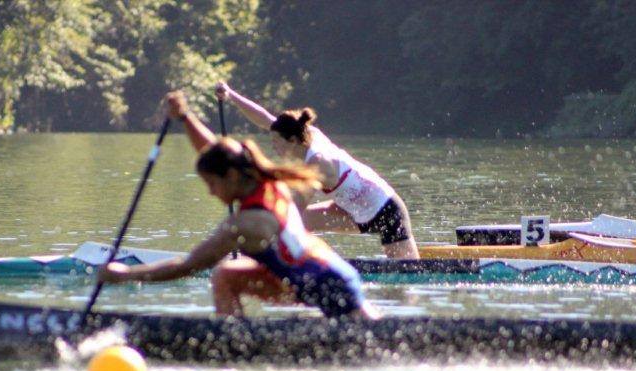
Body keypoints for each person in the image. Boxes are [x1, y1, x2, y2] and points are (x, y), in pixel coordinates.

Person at [98, 92, 378, 319]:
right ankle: (237, 337)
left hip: (332, 288)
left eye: (212, 184)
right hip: (319, 278)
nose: (210, 193)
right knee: (226, 275)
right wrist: (184, 117)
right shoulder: (266, 181)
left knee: (222, 273)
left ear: (231, 177)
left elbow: (188, 265)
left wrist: (125, 275)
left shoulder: (245, 223)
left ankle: (237, 343)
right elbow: (216, 150)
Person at [216, 82, 420, 259]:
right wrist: (231, 95)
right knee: (298, 222)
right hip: (351, 211)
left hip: (386, 212)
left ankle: (285, 259)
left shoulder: (318, 163)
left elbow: (295, 206)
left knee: (407, 275)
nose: (273, 147)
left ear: (293, 141)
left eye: (276, 142)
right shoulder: (306, 133)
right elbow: (264, 119)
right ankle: (278, 259)